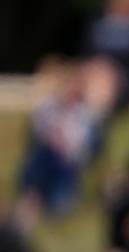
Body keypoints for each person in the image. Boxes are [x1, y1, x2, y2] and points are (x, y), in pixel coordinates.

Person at [15, 61, 105, 217]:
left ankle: (47, 200)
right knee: (44, 157)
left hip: (67, 164)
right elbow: (36, 133)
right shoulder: (47, 106)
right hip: (45, 157)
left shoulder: (84, 114)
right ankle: (32, 196)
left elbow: (83, 147)